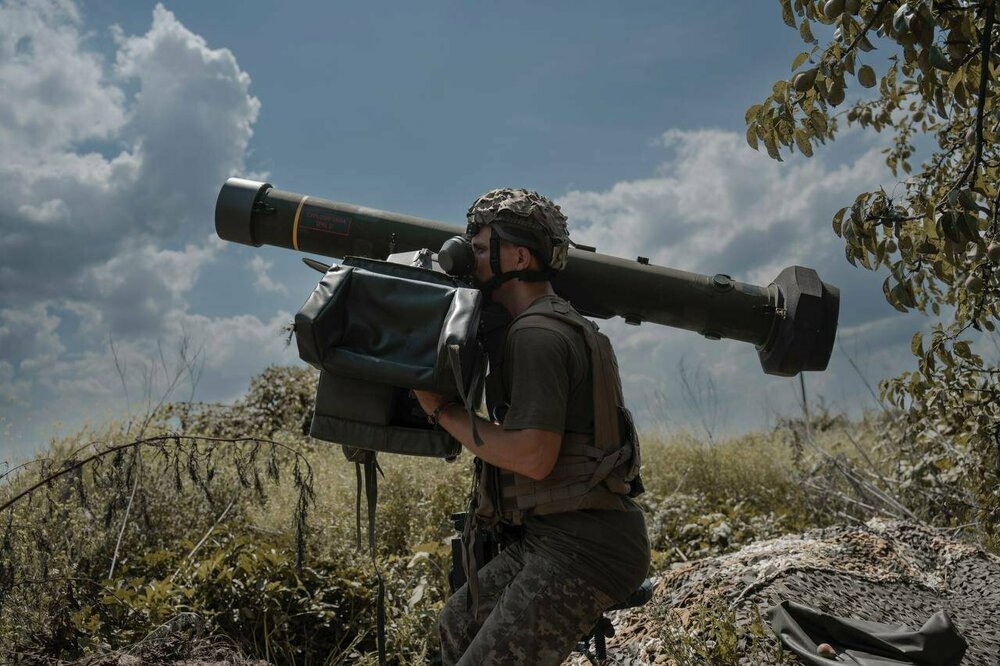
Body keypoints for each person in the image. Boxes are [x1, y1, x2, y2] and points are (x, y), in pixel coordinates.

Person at [413, 188, 650, 665]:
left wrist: (443, 411)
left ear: (518, 256)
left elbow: (532, 457)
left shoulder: (536, 336)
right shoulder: (551, 323)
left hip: (585, 548)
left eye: (480, 248)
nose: (469, 259)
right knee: (456, 622)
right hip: (556, 535)